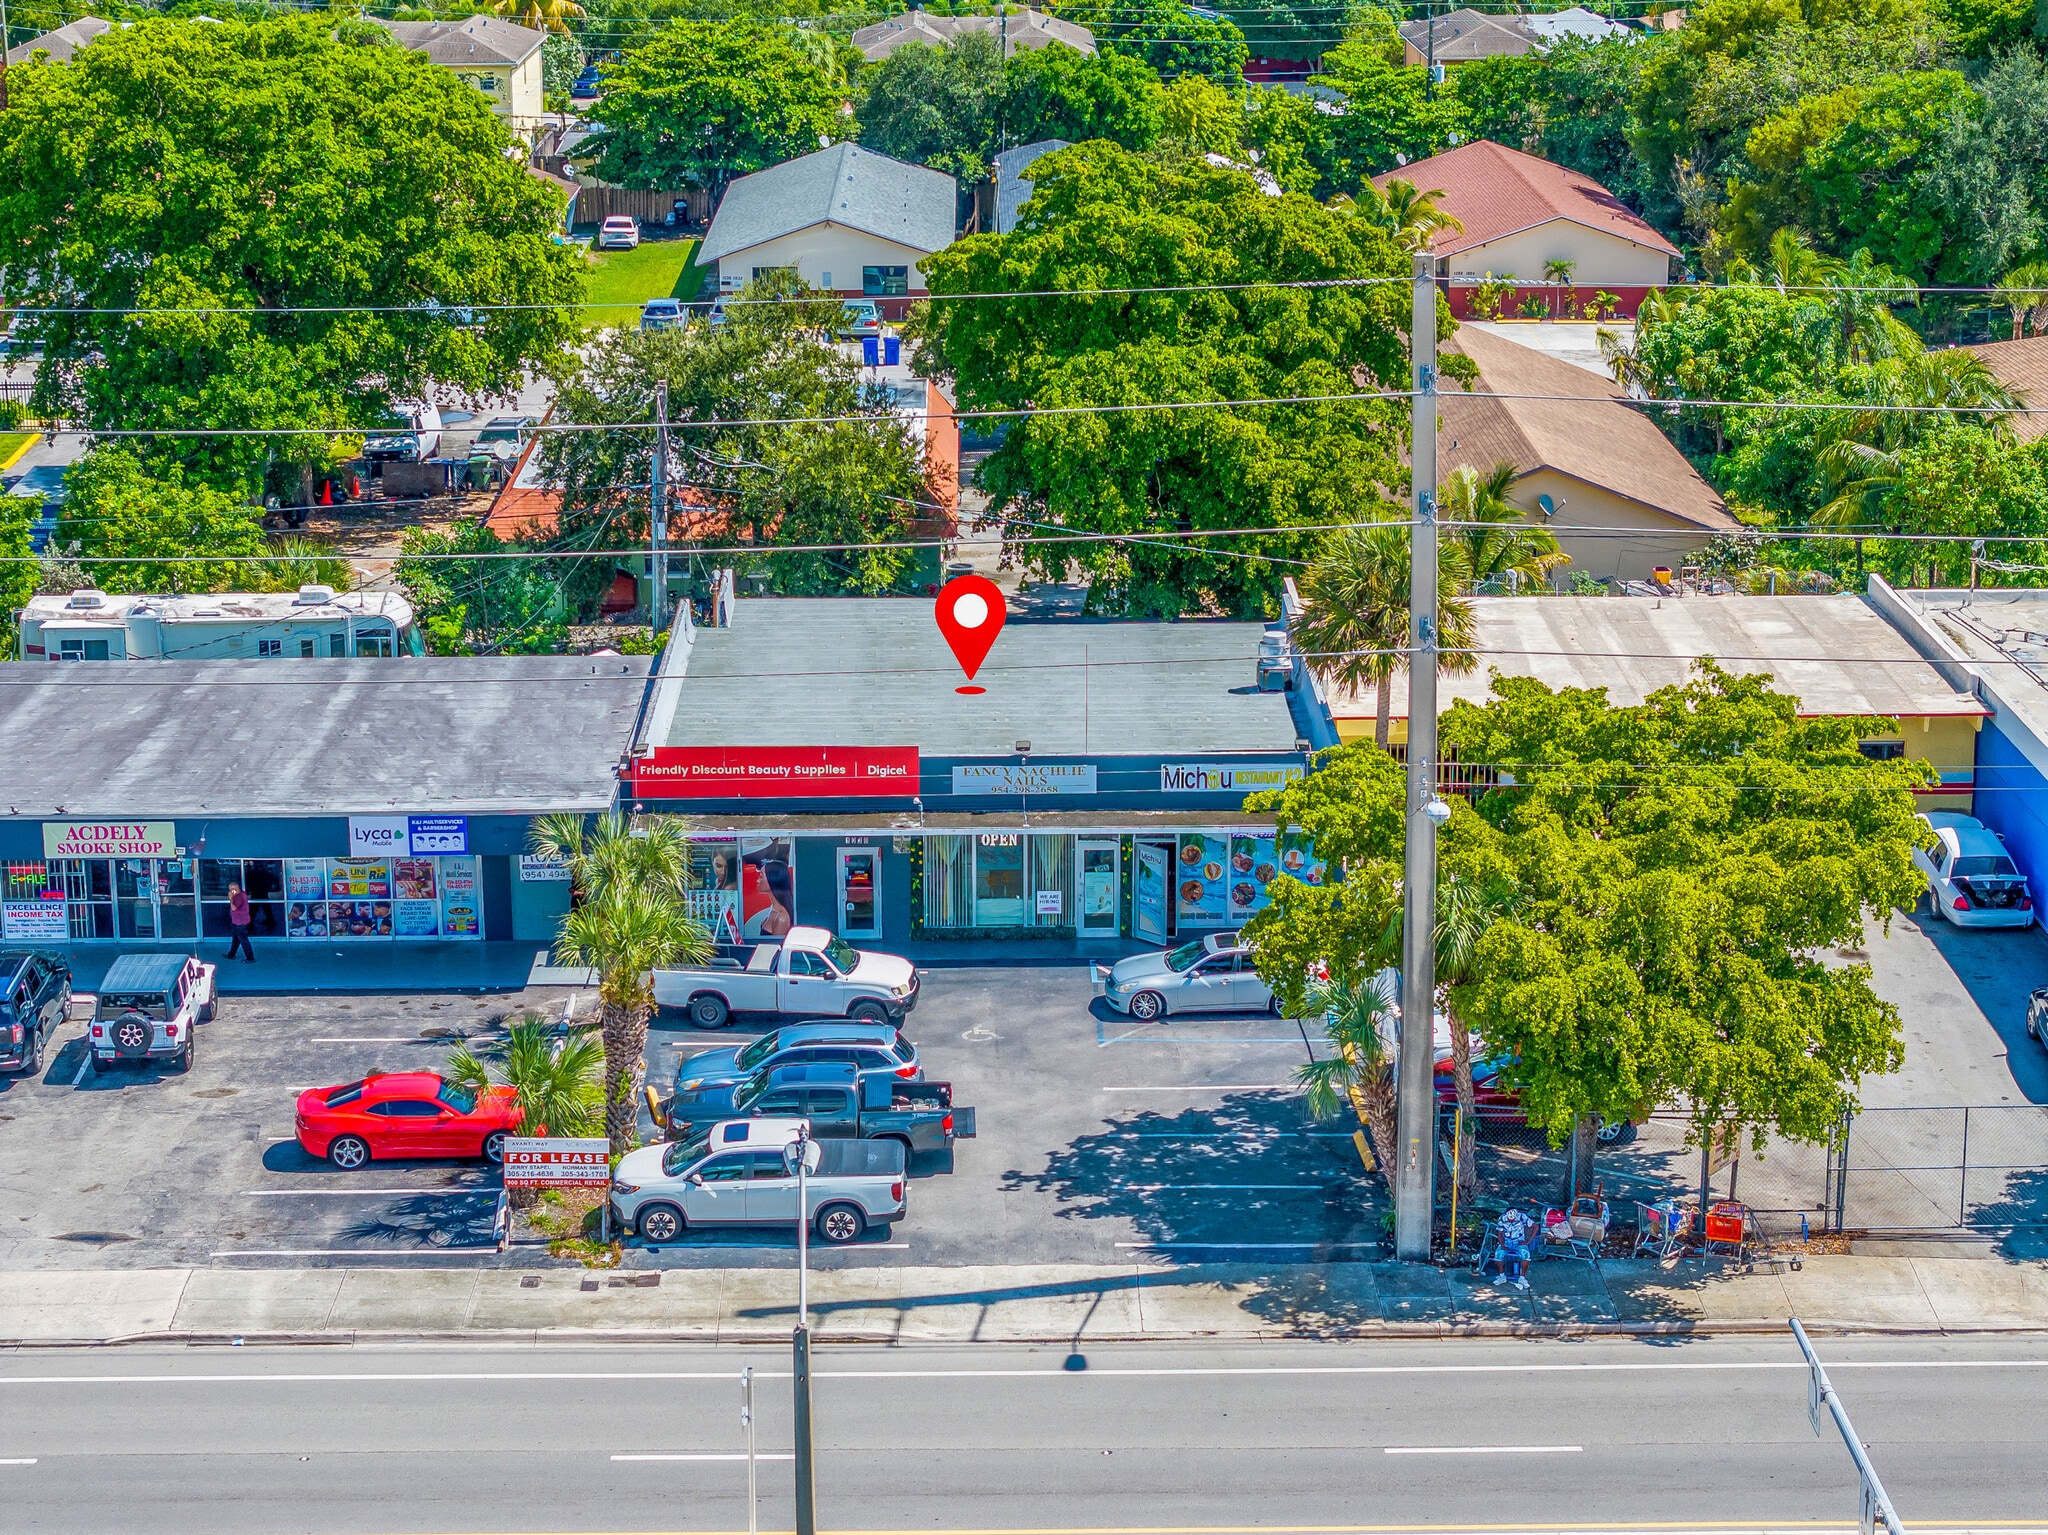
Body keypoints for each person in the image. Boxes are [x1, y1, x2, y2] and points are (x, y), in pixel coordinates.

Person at [1495, 1206, 1532, 1290]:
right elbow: (1500, 1233)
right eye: (1509, 1219)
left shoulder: (1522, 1217)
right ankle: (1502, 1276)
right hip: (1507, 1241)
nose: (1510, 1220)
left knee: (1526, 1255)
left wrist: (1528, 1241)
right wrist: (1502, 1244)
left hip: (1519, 1241)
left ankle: (1522, 1278)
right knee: (1498, 1254)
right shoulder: (1502, 1218)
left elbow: (1535, 1226)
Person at [226, 882, 255, 962]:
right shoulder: (238, 895)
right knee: (236, 938)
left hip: (241, 921)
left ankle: (250, 957)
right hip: (237, 921)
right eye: (230, 890)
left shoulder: (240, 897)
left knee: (243, 939)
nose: (231, 891)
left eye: (233, 890)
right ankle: (231, 954)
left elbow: (234, 907)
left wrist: (231, 899)